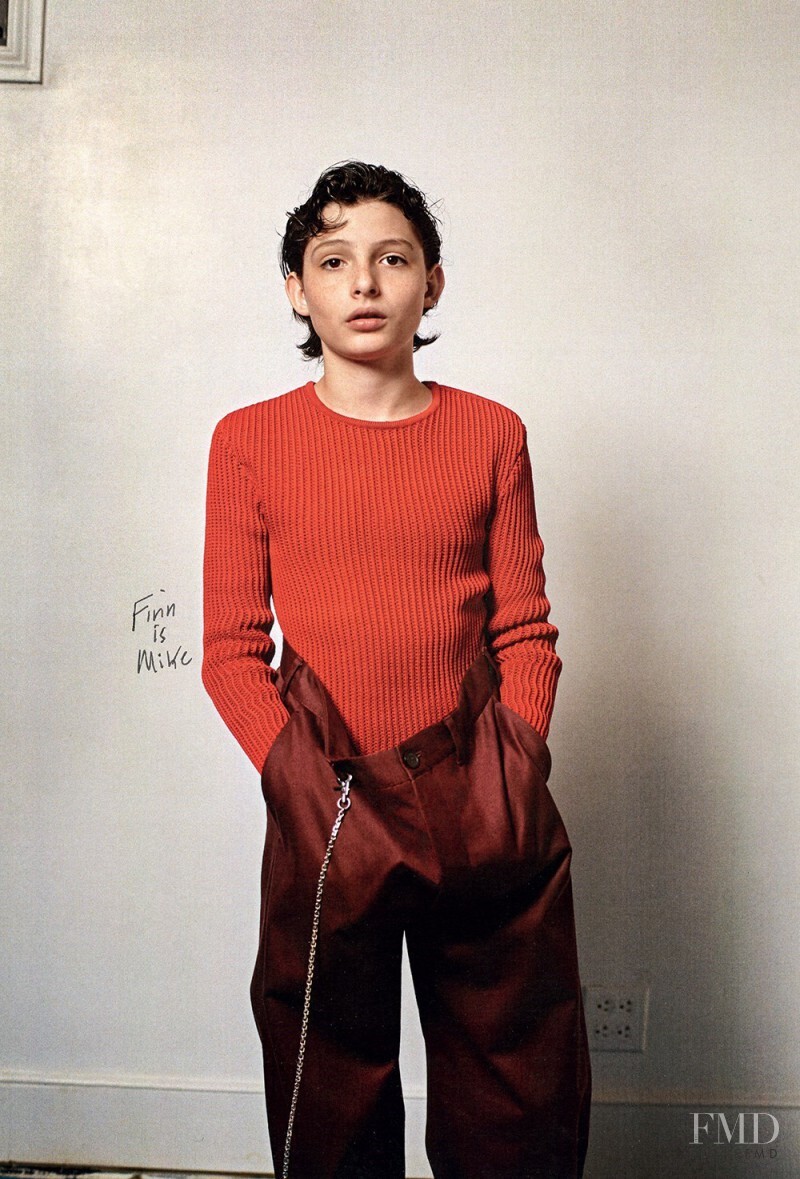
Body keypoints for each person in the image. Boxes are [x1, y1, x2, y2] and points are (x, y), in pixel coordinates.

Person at [202, 160, 591, 1179]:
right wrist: (296, 778)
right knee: (326, 1094)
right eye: (334, 262)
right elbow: (231, 649)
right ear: (298, 289)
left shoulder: (491, 432)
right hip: (326, 795)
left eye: (392, 258)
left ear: (432, 282)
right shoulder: (249, 441)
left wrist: (513, 761)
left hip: (479, 790)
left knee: (515, 1088)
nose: (364, 282)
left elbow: (525, 628)